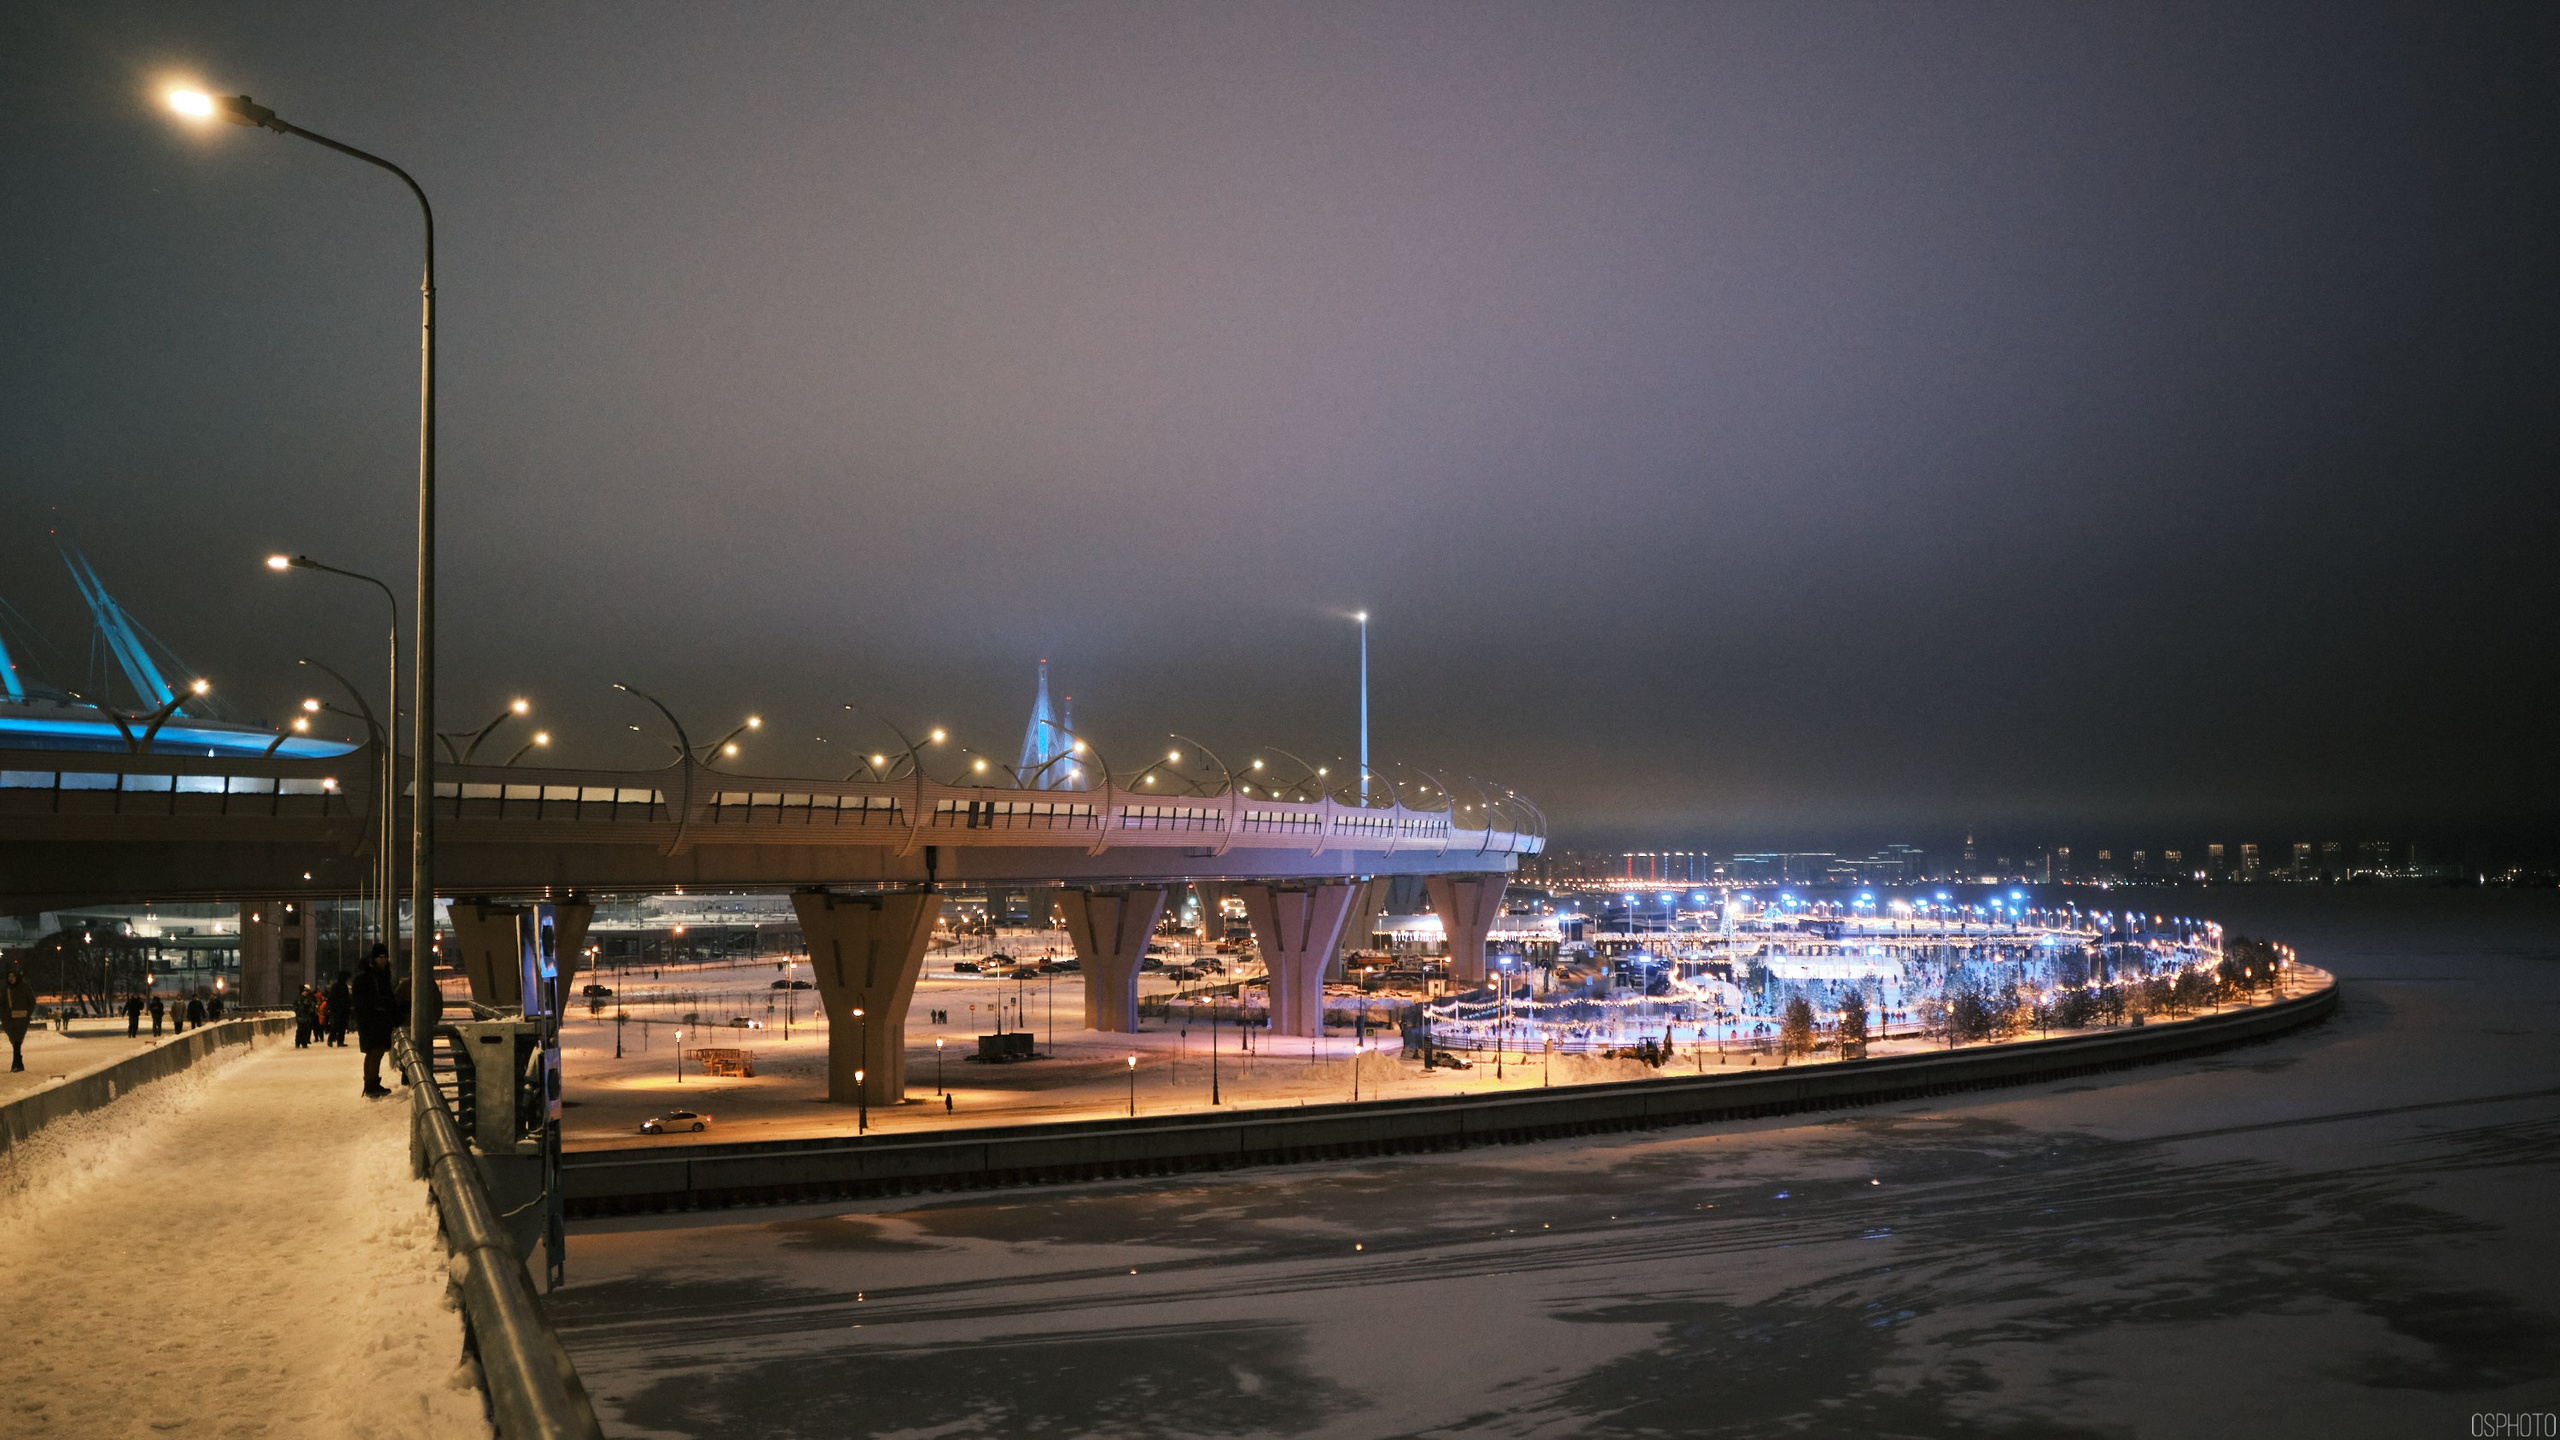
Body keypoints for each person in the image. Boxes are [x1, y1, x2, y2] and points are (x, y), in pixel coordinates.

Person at [350, 944, 400, 1097]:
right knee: (375, 1051)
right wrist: (380, 1005)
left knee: (372, 1052)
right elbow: (365, 999)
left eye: (385, 957)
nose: (383, 960)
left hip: (375, 1019)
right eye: (380, 957)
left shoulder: (378, 974)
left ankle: (370, 1083)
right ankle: (371, 1084)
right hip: (373, 1019)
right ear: (374, 958)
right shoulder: (370, 977)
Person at [3, 959, 36, 1072]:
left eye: (13, 976)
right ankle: (19, 1063)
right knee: (14, 1041)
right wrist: (3, 1016)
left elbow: (32, 1002)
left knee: (17, 1040)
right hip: (8, 1019)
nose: (11, 978)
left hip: (22, 1018)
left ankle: (15, 1063)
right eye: (9, 976)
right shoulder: (5, 989)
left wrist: (28, 1014)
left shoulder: (25, 987)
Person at [326, 972, 353, 1048]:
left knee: (338, 1025)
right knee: (339, 1025)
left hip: (339, 1009)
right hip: (339, 1009)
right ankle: (337, 1040)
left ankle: (334, 1040)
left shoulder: (337, 986)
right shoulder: (342, 987)